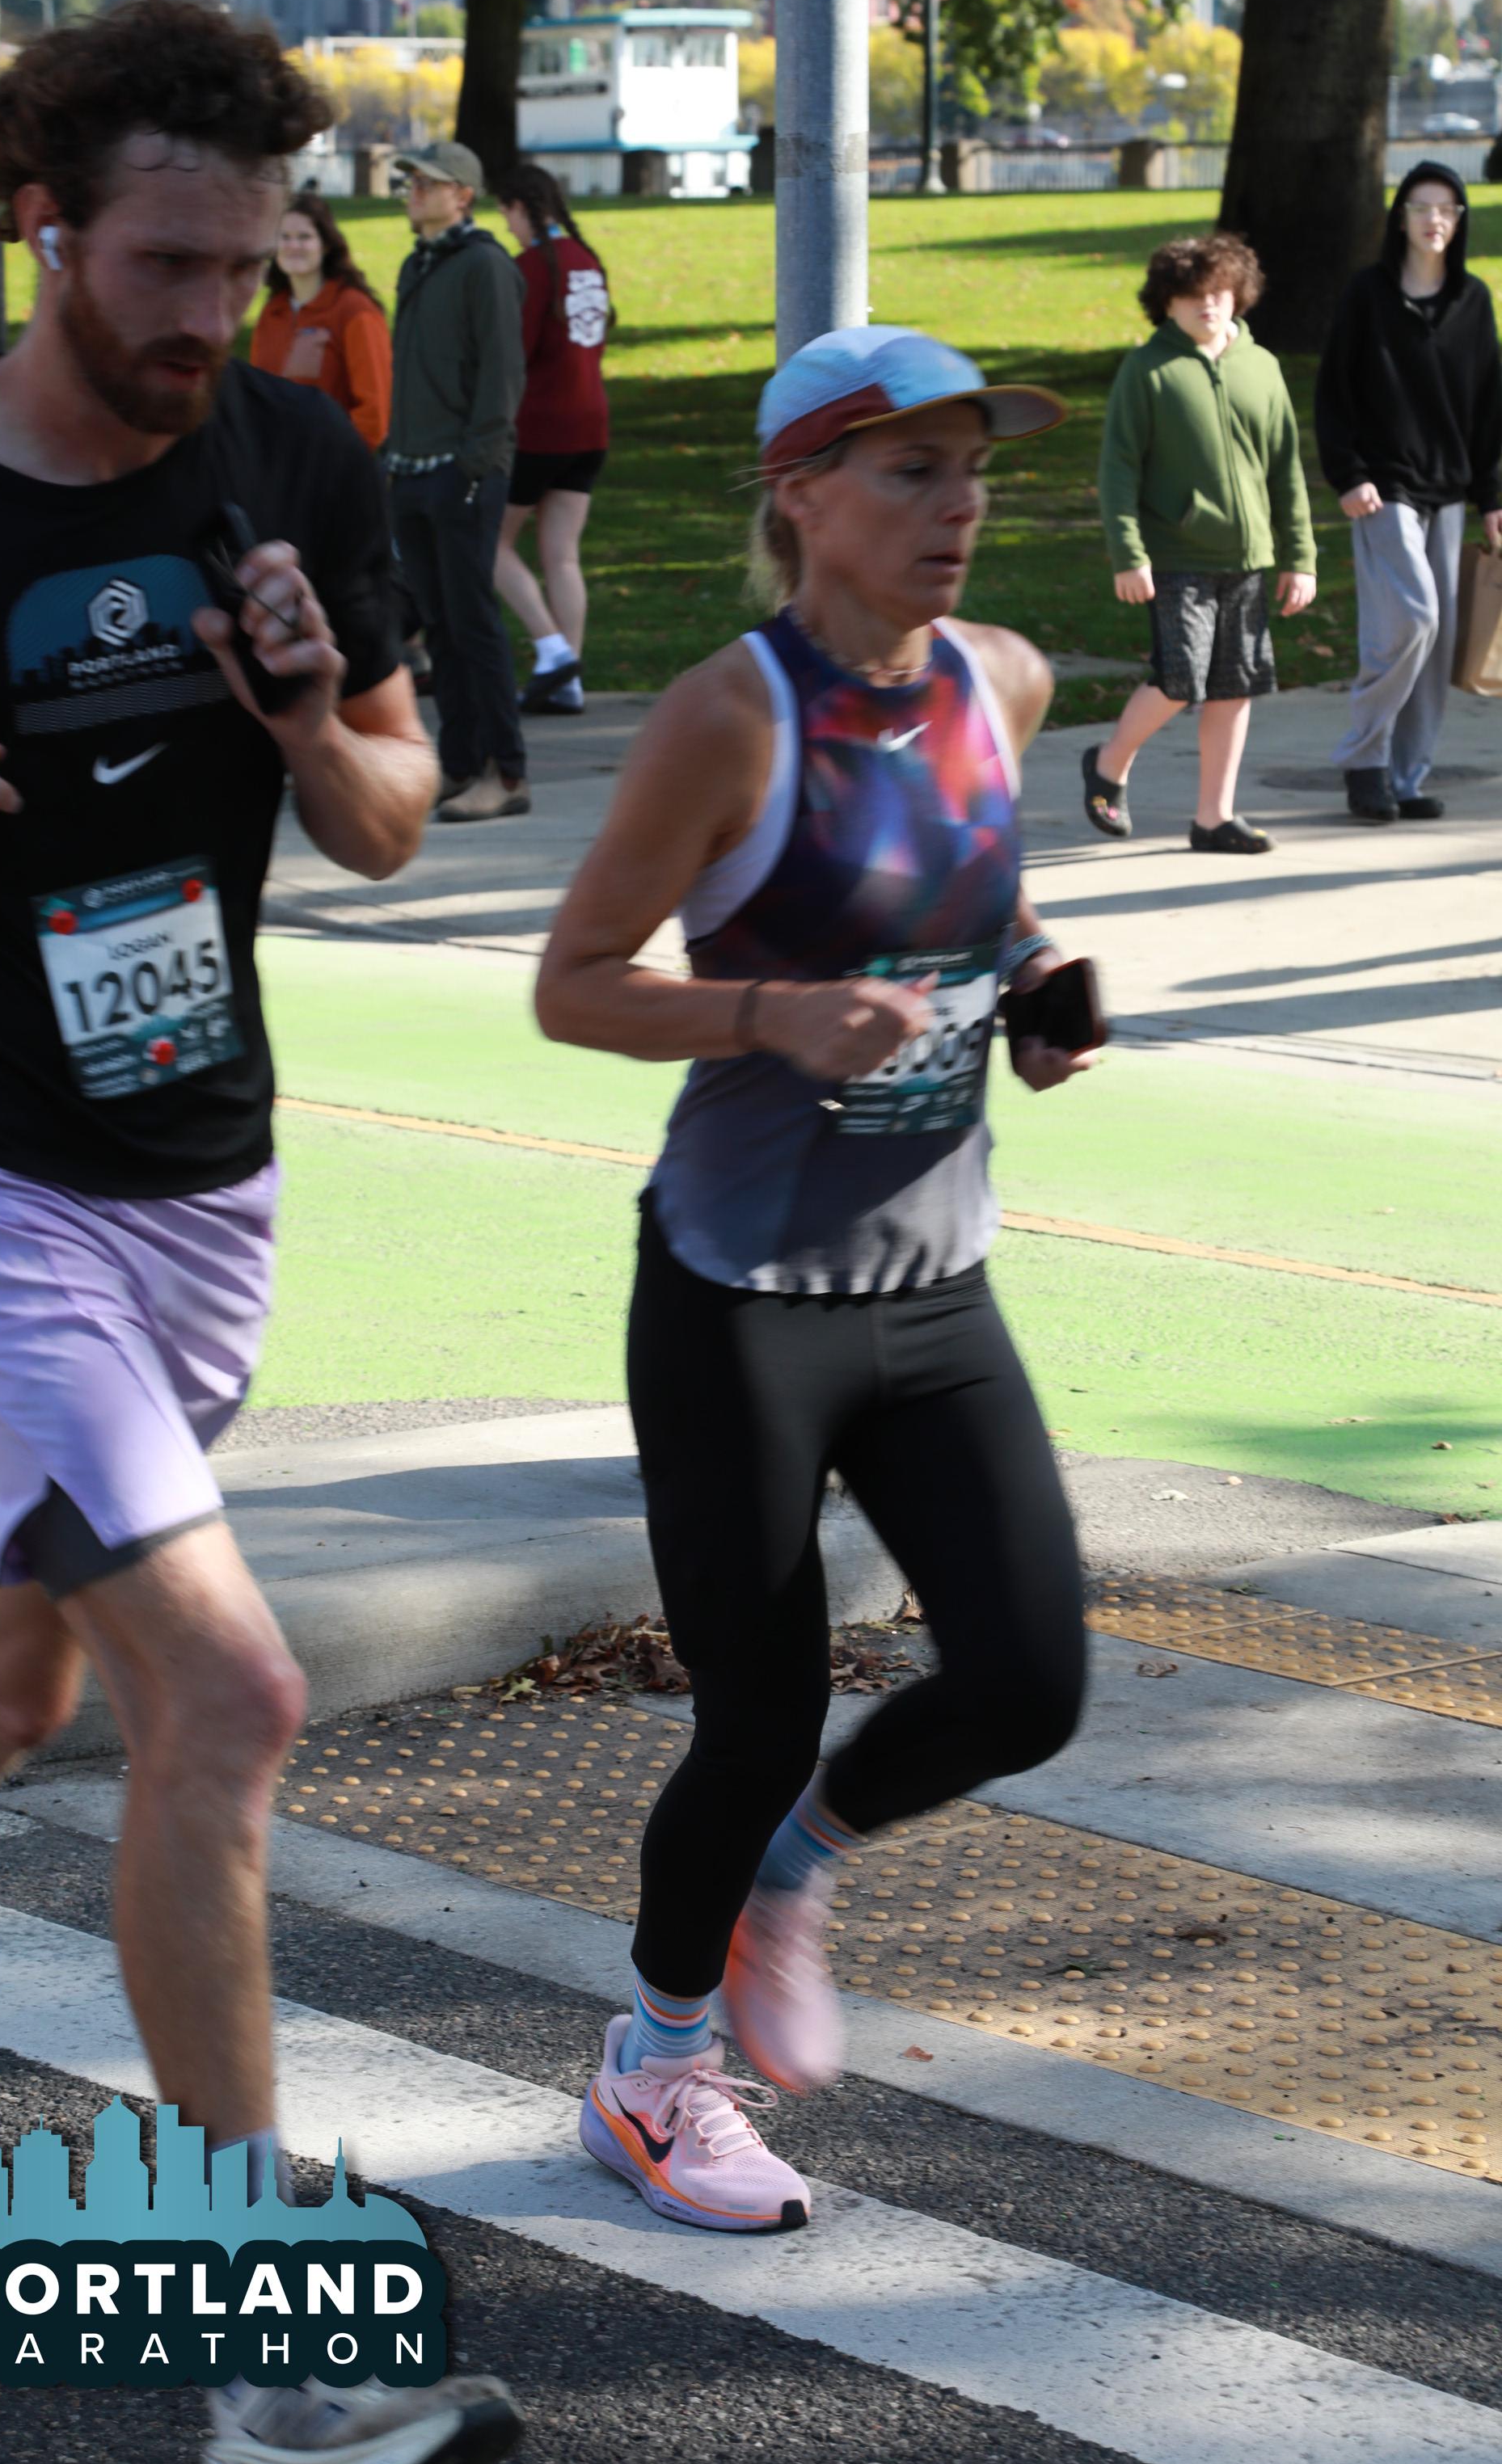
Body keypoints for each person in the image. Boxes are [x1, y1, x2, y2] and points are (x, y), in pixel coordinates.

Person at [0, 0, 520, 2464]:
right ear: (41, 224)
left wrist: (307, 718)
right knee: (225, 1696)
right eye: (164, 264)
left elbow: (389, 816)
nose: (204, 316)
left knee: (4, 1679)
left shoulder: (287, 457)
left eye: (245, 267)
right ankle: (274, 2375)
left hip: (200, 1189)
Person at [535, 327, 1091, 2231]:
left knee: (1027, 1682)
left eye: (974, 469)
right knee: (755, 1715)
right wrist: (768, 1013)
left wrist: (1038, 984)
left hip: (935, 1285)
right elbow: (573, 986)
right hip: (742, 1297)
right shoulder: (731, 718)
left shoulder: (1003, 681)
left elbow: (982, 903)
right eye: (910, 471)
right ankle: (653, 2075)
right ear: (800, 495)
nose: (959, 507)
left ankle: (794, 1872)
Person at [1084, 233, 1317, 854]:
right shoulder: (1147, 371)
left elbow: (1286, 470)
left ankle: (1215, 818)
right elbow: (1119, 469)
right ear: (1166, 303)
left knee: (1234, 685)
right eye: (1191, 295)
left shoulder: (1262, 368)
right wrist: (1128, 554)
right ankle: (1109, 762)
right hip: (1176, 555)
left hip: (1248, 558)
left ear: (1238, 294)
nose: (1207, 304)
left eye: (1218, 292)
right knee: (1179, 679)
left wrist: (1300, 557)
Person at [1314, 162, 1502, 822]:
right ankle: (1364, 759)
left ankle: (1406, 777)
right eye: (1421, 207)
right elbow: (1334, 391)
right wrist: (1348, 473)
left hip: (1448, 489)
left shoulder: (1473, 301)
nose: (1434, 220)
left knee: (1439, 636)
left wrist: (1493, 497)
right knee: (1411, 618)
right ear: (1401, 218)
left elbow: (1489, 409)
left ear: (1460, 220)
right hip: (1382, 488)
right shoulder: (1367, 295)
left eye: (1447, 208)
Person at [386, 141, 529, 823]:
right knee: (439, 627)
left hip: (463, 474)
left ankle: (507, 771)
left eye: (429, 182)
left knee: (473, 625)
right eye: (411, 181)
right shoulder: (418, 263)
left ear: (463, 195)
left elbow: (501, 375)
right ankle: (462, 763)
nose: (414, 191)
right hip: (411, 469)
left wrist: (474, 465)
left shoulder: (484, 266)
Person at [491, 162, 614, 717]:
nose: (506, 224)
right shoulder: (586, 259)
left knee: (487, 542)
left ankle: (554, 651)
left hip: (539, 426)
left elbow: (512, 353)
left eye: (506, 212)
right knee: (562, 556)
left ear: (521, 207)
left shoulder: (531, 267)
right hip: (591, 425)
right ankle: (569, 682)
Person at [250, 190, 393, 453]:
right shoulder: (272, 313)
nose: (293, 246)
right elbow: (254, 398)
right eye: (284, 237)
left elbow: (374, 417)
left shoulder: (355, 311)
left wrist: (330, 463)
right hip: (273, 465)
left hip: (332, 466)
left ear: (325, 245)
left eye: (304, 237)